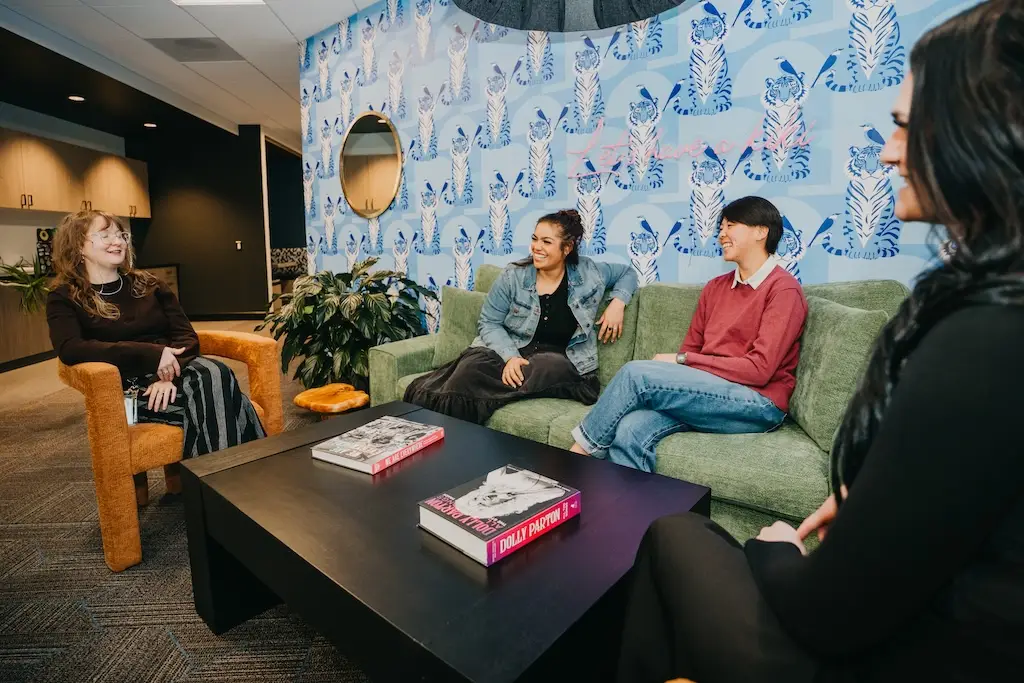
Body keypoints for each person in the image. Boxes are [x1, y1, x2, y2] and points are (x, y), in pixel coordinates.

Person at [615, 2, 1024, 681]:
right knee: (638, 413)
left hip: (904, 651)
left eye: (901, 127)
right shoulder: (717, 289)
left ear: (973, 131)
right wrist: (872, 497)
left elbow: (757, 367)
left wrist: (775, 547)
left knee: (672, 526)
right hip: (911, 613)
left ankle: (589, 460)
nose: (890, 151)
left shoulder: (981, 337)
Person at [568, 196, 807, 472]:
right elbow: (694, 349)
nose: (722, 234)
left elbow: (759, 370)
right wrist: (687, 363)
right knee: (630, 428)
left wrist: (683, 360)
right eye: (721, 227)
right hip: (710, 393)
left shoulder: (783, 290)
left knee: (636, 374)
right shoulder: (715, 288)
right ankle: (630, 510)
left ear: (761, 231)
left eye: (731, 225)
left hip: (758, 403)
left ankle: (575, 461)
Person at [46, 210, 266, 494]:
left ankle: (218, 493)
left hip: (177, 377)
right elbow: (71, 349)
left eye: (120, 235)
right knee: (228, 396)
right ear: (78, 246)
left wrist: (168, 375)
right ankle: (240, 488)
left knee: (215, 372)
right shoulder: (64, 296)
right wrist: (152, 354)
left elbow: (186, 336)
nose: (118, 242)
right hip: (128, 393)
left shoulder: (148, 284)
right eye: (105, 235)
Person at [403, 209, 639, 424]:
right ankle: (446, 432)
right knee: (469, 370)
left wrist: (617, 303)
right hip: (511, 350)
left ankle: (466, 406)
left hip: (558, 360)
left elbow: (627, 273)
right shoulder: (513, 276)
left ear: (567, 248)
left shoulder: (590, 273)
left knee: (545, 367)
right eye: (535, 239)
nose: (537, 247)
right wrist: (510, 358)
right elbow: (489, 321)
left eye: (547, 241)